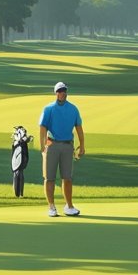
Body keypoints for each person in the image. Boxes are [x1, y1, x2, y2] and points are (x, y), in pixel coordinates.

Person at [39, 81, 85, 217]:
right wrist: (42, 146)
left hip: (67, 145)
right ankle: (51, 207)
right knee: (49, 178)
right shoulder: (48, 109)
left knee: (67, 178)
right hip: (52, 145)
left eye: (64, 91)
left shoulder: (73, 109)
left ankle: (69, 206)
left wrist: (82, 145)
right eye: (60, 91)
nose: (62, 93)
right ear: (56, 93)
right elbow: (42, 128)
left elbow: (79, 128)